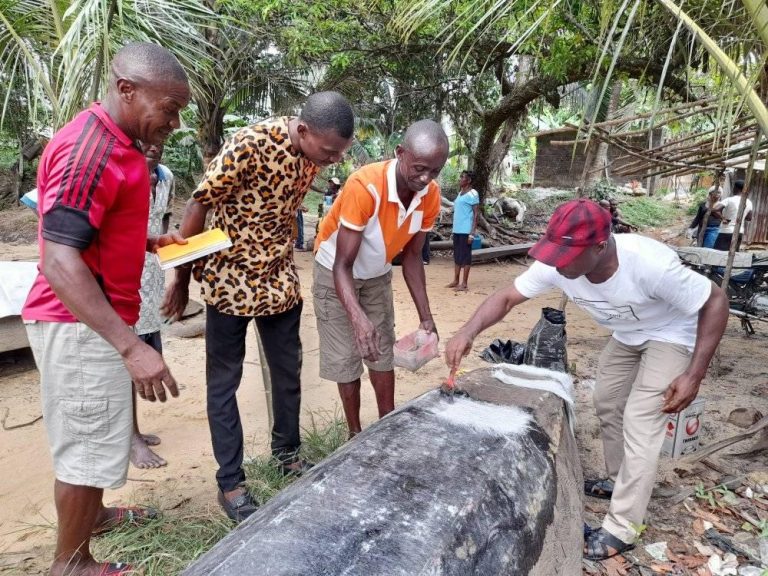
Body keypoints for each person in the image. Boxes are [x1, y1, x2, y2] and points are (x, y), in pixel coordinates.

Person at [445, 199, 728, 562]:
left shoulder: (650, 267)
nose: (557, 263)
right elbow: (506, 297)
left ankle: (623, 528)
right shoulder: (559, 265)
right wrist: (468, 331)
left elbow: (715, 301)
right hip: (627, 335)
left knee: (642, 419)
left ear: (599, 247)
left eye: (567, 254)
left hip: (673, 334)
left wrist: (694, 374)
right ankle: (617, 478)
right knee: (606, 400)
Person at [21, 43, 189, 576]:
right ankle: (72, 564)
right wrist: (131, 346)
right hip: (78, 324)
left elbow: (91, 230)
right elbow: (59, 260)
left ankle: (91, 518)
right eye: (168, 108)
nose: (175, 121)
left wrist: (146, 243)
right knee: (85, 440)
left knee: (96, 434)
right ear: (126, 90)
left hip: (91, 320)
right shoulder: (89, 150)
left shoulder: (116, 143)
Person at [161, 91, 354, 523]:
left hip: (278, 283)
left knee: (288, 372)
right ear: (303, 130)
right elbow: (200, 203)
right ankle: (230, 481)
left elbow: (288, 208)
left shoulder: (312, 154)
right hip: (229, 280)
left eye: (339, 154)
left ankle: (287, 454)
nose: (332, 161)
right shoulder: (249, 143)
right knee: (223, 384)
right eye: (328, 152)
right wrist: (179, 277)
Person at [313, 119, 448, 438]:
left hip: (377, 272)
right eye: (419, 168)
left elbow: (413, 257)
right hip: (335, 270)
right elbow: (342, 266)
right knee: (347, 355)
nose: (425, 178)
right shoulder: (366, 186)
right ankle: (356, 435)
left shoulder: (430, 195)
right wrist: (358, 320)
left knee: (381, 348)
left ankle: (387, 426)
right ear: (400, 153)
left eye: (435, 171)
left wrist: (426, 317)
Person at [131, 143, 176, 469]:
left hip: (151, 281)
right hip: (122, 285)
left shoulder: (165, 179)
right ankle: (129, 437)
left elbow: (161, 226)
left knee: (142, 355)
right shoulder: (117, 176)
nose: (151, 147)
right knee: (126, 364)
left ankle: (132, 431)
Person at [446, 170, 480, 291]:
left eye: (462, 177)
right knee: (457, 255)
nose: (460, 179)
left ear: (469, 180)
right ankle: (456, 280)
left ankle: (464, 283)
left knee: (465, 256)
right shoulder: (460, 193)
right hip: (457, 229)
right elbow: (457, 208)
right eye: (460, 177)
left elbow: (476, 214)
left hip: (466, 230)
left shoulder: (473, 194)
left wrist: (472, 233)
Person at [713, 179, 752, 251]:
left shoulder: (729, 200)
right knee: (733, 255)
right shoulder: (748, 202)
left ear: (735, 188)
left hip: (726, 231)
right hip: (739, 232)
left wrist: (723, 218)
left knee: (719, 254)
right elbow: (749, 218)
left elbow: (715, 210)